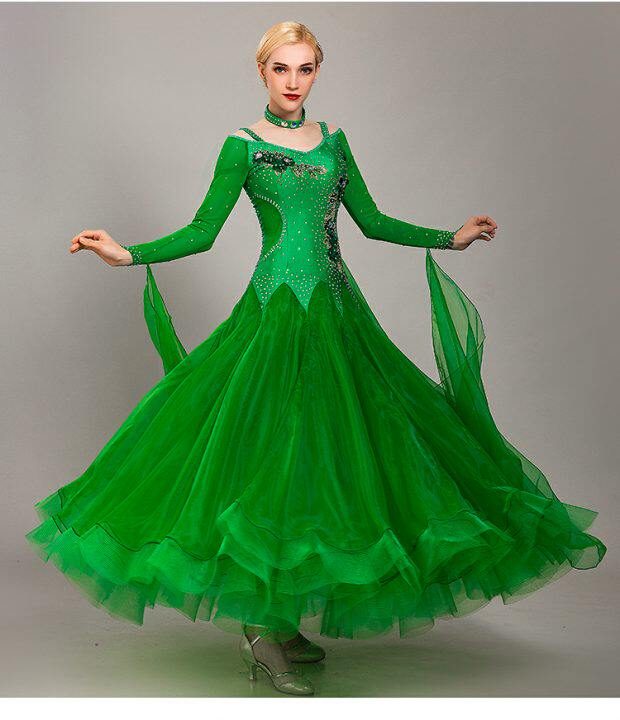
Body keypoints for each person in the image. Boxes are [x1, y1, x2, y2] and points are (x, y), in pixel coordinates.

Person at [25, 21, 606, 697]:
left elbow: (372, 221)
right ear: (262, 72)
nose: (294, 81)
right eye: (281, 69)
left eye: (305, 69)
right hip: (274, 316)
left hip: (337, 317)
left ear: (317, 72)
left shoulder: (334, 142)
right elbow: (203, 231)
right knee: (268, 463)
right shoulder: (241, 146)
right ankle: (261, 629)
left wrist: (450, 237)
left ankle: (279, 620)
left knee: (324, 465)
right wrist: (128, 254)